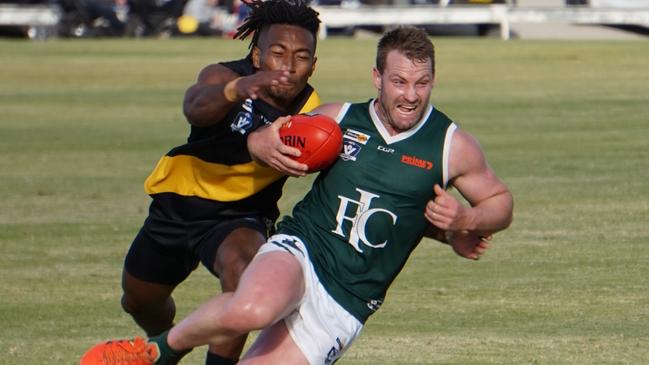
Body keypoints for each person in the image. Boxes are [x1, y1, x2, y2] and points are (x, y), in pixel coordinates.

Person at [80, 26, 513, 365]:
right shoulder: (336, 120)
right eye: (399, 82)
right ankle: (158, 352)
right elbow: (268, 139)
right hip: (303, 249)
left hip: (347, 299)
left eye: (422, 83)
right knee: (253, 307)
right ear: (377, 77)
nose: (411, 96)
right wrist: (258, 141)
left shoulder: (450, 145)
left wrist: (463, 222)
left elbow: (499, 203)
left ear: (434, 80)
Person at [117, 1, 321, 364]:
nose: (288, 67)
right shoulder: (222, 76)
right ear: (257, 56)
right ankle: (163, 345)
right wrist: (238, 88)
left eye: (301, 57)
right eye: (278, 53)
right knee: (139, 299)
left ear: (313, 64)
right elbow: (195, 106)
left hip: (239, 215)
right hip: (178, 205)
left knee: (244, 274)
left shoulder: (309, 109)